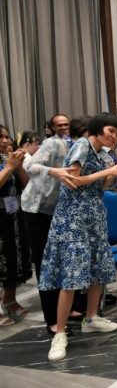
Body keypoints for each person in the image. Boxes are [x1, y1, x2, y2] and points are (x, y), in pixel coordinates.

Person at [40, 113, 117, 361]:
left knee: (97, 268)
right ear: (99, 128)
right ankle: (60, 332)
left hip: (94, 216)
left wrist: (116, 170)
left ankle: (91, 317)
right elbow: (72, 182)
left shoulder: (103, 153)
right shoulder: (81, 145)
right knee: (71, 275)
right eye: (112, 131)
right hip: (73, 219)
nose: (115, 137)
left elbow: (101, 186)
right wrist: (108, 171)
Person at [22, 117, 90, 335]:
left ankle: (67, 309)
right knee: (46, 265)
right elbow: (30, 165)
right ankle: (52, 319)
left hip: (60, 211)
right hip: (38, 209)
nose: (64, 127)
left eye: (66, 124)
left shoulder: (78, 146)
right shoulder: (53, 143)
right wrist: (55, 172)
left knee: (64, 262)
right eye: (59, 124)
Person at [0, 126, 30, 326]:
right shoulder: (5, 163)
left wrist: (18, 165)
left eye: (6, 137)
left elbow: (25, 184)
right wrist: (10, 167)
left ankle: (10, 300)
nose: (5, 141)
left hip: (13, 214)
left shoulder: (6, 159)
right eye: (0, 138)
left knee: (14, 258)